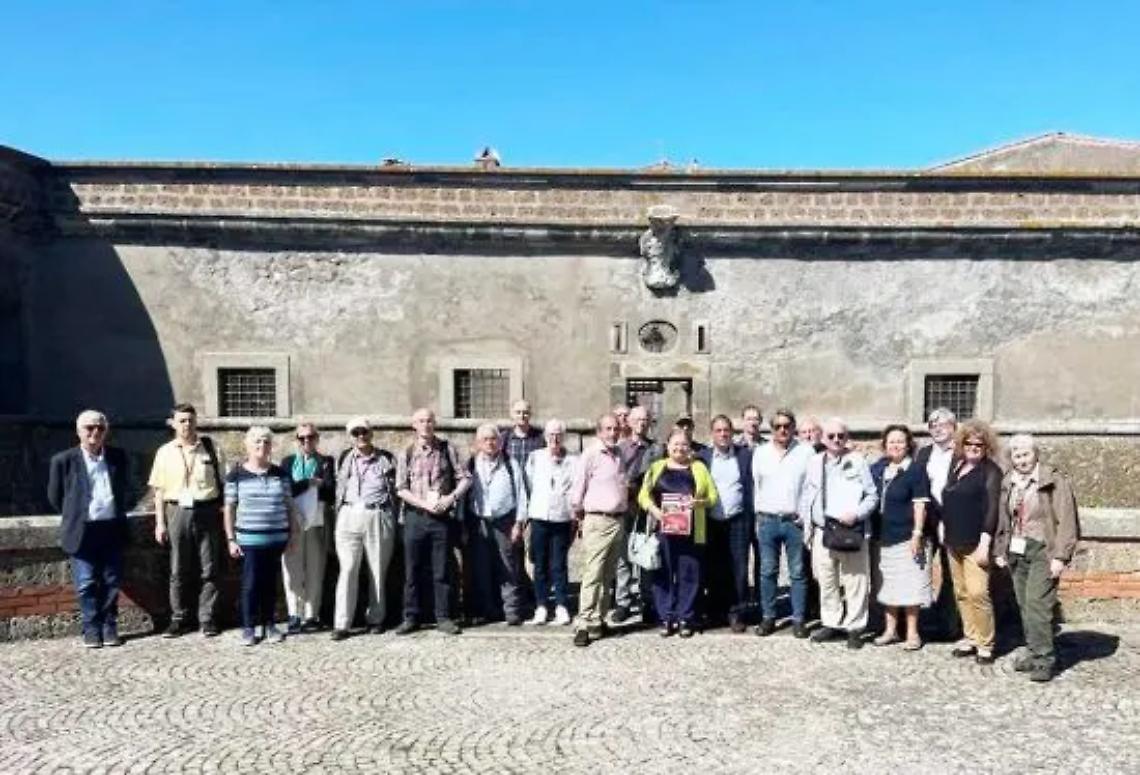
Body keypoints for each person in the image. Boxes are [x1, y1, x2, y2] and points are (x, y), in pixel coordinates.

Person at [995, 434, 1081, 682]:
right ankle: (1033, 652)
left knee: (1038, 604)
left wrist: (1061, 557)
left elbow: (1067, 519)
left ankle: (1044, 659)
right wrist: (1001, 549)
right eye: (1016, 455)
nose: (1021, 460)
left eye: (1026, 454)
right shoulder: (1008, 481)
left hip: (1044, 548)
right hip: (1017, 549)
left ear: (1035, 454)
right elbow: (1003, 519)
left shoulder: (1053, 479)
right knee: (1024, 603)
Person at [47, 410, 131, 649]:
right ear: (78, 431)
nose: (95, 432)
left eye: (100, 428)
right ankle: (91, 629)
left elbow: (123, 489)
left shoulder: (117, 457)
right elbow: (55, 497)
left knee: (111, 581)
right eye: (89, 428)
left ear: (106, 431)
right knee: (85, 582)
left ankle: (109, 627)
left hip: (111, 527)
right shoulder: (63, 460)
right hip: (82, 529)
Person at [147, 402, 225, 638]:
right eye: (181, 420)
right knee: (178, 568)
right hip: (177, 511)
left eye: (190, 420)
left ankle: (207, 618)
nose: (187, 425)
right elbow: (158, 491)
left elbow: (224, 483)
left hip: (207, 510)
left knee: (210, 567)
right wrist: (160, 523)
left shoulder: (211, 448)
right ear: (173, 423)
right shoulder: (165, 452)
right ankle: (179, 618)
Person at [800, 418, 877, 649]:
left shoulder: (857, 462)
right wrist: (808, 527)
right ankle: (832, 622)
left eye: (840, 436)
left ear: (846, 438)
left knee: (855, 580)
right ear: (822, 438)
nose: (836, 440)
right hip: (823, 531)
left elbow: (872, 496)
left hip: (851, 529)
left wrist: (857, 514)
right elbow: (807, 494)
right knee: (827, 580)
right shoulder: (814, 462)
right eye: (831, 436)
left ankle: (855, 626)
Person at [394, 408, 471, 635]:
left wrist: (451, 498)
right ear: (414, 425)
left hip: (441, 518)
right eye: (421, 421)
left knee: (442, 570)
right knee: (412, 569)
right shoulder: (406, 452)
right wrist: (421, 503)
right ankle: (411, 617)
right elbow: (400, 488)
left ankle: (444, 617)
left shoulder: (448, 449)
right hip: (415, 517)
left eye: (429, 420)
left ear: (434, 423)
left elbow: (465, 478)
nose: (426, 424)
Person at [223, 426, 301, 646]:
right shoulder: (236, 475)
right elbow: (229, 508)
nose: (262, 446)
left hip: (276, 539)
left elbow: (289, 505)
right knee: (250, 583)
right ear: (247, 445)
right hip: (249, 540)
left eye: (266, 442)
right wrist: (230, 539)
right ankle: (248, 627)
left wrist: (293, 535)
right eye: (257, 441)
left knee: (270, 583)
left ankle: (269, 624)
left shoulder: (280, 474)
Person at [641, 429, 719, 637]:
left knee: (689, 574)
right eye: (675, 444)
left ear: (690, 447)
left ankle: (686, 617)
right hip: (664, 531)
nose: (679, 448)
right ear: (667, 446)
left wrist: (699, 503)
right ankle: (666, 617)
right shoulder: (656, 467)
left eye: (684, 444)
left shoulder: (699, 468)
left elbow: (713, 497)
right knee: (663, 573)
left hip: (693, 531)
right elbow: (643, 496)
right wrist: (655, 511)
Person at [940, 419, 1002, 664]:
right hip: (953, 540)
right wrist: (944, 523)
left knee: (979, 593)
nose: (973, 447)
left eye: (979, 443)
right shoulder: (956, 465)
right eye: (968, 442)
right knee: (962, 593)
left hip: (976, 542)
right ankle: (971, 637)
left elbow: (992, 509)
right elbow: (948, 497)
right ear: (961, 443)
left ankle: (986, 643)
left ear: (987, 446)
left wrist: (986, 542)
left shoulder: (991, 472)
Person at [331, 417, 398, 640]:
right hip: (349, 514)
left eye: (364, 432)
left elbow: (397, 488)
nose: (360, 436)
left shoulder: (386, 459)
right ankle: (342, 623)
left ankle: (376, 619)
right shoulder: (344, 458)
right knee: (348, 568)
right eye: (355, 433)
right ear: (350, 436)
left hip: (377, 513)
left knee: (377, 569)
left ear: (371, 434)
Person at [869, 424, 932, 650]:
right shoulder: (879, 469)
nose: (895, 445)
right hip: (883, 537)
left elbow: (920, 504)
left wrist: (917, 534)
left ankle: (913, 633)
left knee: (911, 586)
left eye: (900, 441)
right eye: (891, 441)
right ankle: (890, 630)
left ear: (908, 445)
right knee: (888, 586)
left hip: (907, 537)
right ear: (885, 445)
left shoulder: (915, 470)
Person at [752, 409, 814, 637]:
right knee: (767, 571)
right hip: (767, 519)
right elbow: (756, 485)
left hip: (793, 521)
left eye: (787, 425)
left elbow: (810, 487)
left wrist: (805, 516)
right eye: (778, 426)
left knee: (797, 572)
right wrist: (758, 517)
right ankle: (768, 616)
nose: (783, 430)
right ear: (771, 429)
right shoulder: (760, 453)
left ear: (793, 427)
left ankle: (798, 619)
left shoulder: (806, 452)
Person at [570, 413, 629, 647]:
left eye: (615, 429)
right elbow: (578, 489)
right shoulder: (591, 455)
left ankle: (599, 620)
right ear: (599, 431)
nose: (613, 433)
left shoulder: (619, 454)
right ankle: (583, 623)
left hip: (617, 521)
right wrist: (579, 516)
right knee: (592, 573)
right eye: (608, 429)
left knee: (608, 576)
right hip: (597, 520)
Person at [465, 423, 528, 625]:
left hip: (505, 521)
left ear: (500, 442)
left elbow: (521, 495)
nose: (490, 443)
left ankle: (512, 611)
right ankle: (487, 610)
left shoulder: (511, 464)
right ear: (478, 443)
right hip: (479, 521)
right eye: (485, 439)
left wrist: (519, 523)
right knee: (481, 567)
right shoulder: (470, 464)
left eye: (493, 439)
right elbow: (464, 496)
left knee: (509, 567)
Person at [697, 415, 754, 632]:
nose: (723, 434)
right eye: (718, 430)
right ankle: (714, 612)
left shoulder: (744, 456)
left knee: (738, 568)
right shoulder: (702, 457)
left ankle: (737, 612)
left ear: (732, 432)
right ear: (712, 433)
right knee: (713, 567)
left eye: (726, 430)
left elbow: (751, 486)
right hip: (710, 521)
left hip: (737, 519)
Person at [280, 422, 335, 634]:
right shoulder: (287, 462)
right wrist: (308, 483)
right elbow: (286, 488)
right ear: (296, 440)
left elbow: (330, 491)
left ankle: (312, 615)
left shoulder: (326, 461)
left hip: (316, 520)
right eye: (302, 438)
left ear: (317, 438)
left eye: (310, 437)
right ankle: (294, 613)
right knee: (291, 568)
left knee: (315, 567)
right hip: (292, 522)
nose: (306, 441)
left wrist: (316, 484)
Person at [523, 419, 577, 625]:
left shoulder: (574, 460)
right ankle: (542, 605)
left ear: (563, 437)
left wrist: (575, 518)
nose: (554, 438)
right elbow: (529, 484)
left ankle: (562, 605)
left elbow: (574, 488)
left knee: (559, 564)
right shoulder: (535, 458)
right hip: (540, 517)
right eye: (551, 435)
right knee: (539, 564)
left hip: (562, 518)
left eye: (558, 435)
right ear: (545, 437)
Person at [916, 407, 961, 640]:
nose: (937, 428)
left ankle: (950, 625)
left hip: (953, 520)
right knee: (919, 570)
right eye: (933, 425)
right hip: (926, 520)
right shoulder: (923, 454)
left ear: (953, 427)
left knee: (951, 572)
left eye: (942, 424)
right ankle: (919, 622)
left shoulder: (963, 453)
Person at [614, 405, 661, 623]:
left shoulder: (657, 449)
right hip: (625, 507)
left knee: (645, 553)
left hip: (647, 508)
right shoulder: (619, 447)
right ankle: (622, 601)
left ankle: (647, 600)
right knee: (623, 555)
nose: (641, 423)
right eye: (638, 419)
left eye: (645, 419)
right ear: (630, 422)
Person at [499, 399, 545, 493]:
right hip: (511, 487)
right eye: (518, 412)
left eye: (525, 413)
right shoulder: (504, 438)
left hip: (533, 487)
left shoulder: (540, 438)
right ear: (512, 415)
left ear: (530, 415)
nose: (522, 416)